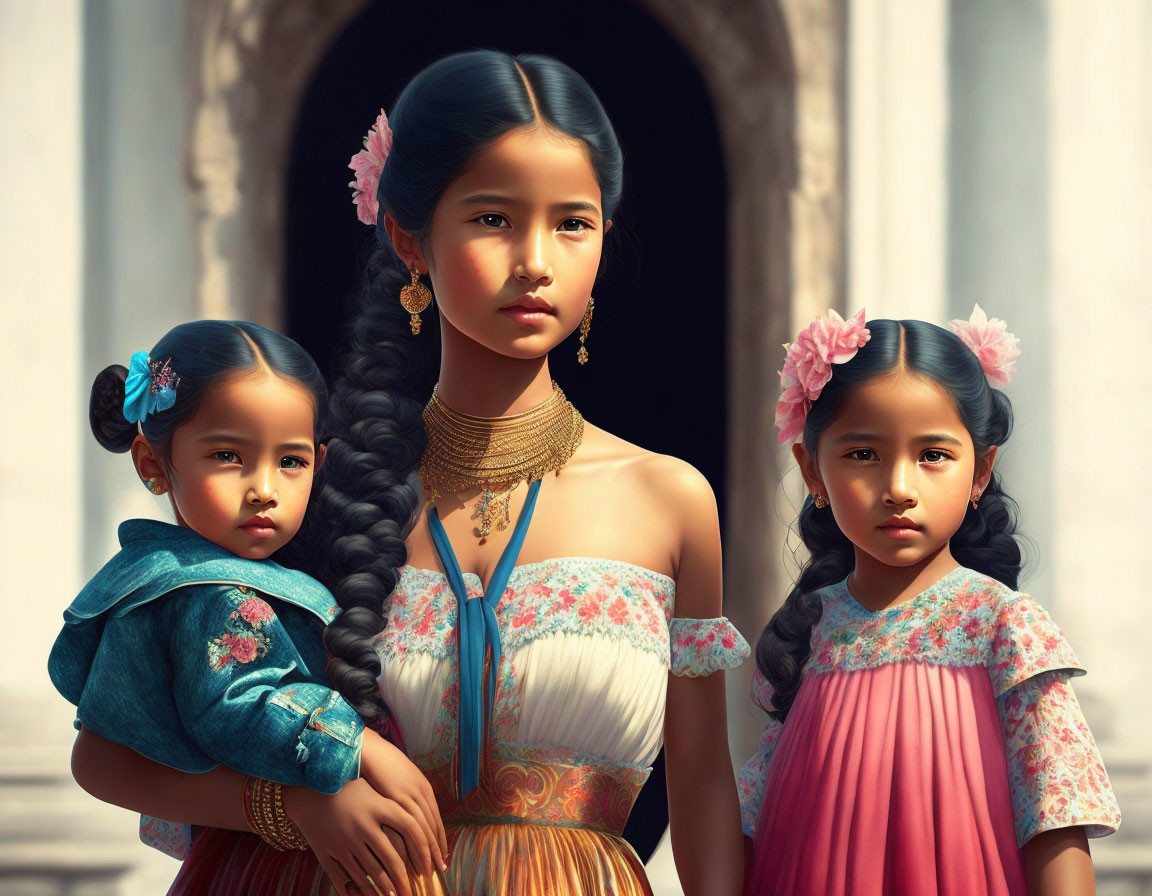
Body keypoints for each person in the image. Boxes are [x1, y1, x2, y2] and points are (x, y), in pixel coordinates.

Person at [70, 50, 749, 895]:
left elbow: (705, 788)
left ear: (605, 241)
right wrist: (293, 809)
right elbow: (108, 754)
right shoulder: (308, 494)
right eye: (494, 219)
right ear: (408, 236)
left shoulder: (670, 500)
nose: (536, 259)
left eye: (572, 223)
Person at [55, 321, 445, 896]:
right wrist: (359, 749)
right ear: (153, 464)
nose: (264, 488)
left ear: (319, 460)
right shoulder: (209, 592)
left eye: (290, 462)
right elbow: (241, 701)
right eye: (227, 455)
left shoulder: (232, 576)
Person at [739, 307, 1121, 895]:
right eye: (863, 454)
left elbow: (1055, 821)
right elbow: (754, 822)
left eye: (933, 456)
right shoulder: (809, 632)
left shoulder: (1003, 627)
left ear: (981, 471)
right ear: (812, 472)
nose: (898, 487)